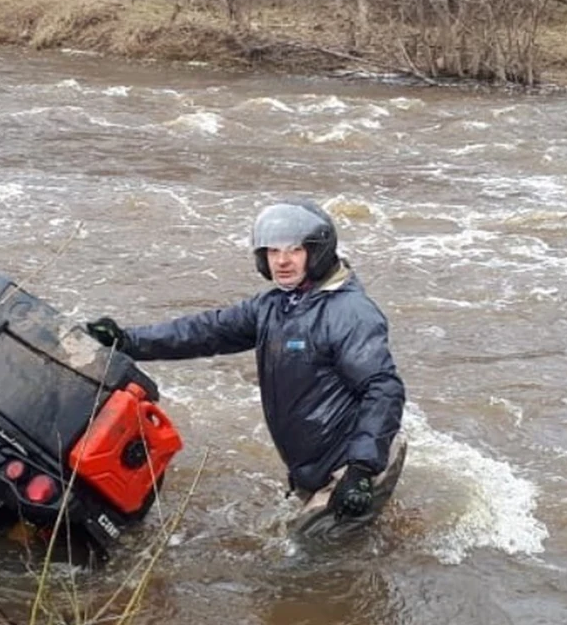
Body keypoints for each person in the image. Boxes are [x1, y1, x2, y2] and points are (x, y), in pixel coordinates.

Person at [86, 199, 406, 529]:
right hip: (319, 467)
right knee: (343, 551)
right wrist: (127, 341)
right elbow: (204, 331)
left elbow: (383, 388)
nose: (282, 261)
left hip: (354, 466)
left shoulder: (350, 313)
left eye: (294, 250)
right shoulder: (274, 306)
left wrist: (361, 472)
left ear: (318, 251)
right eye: (272, 251)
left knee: (314, 565)